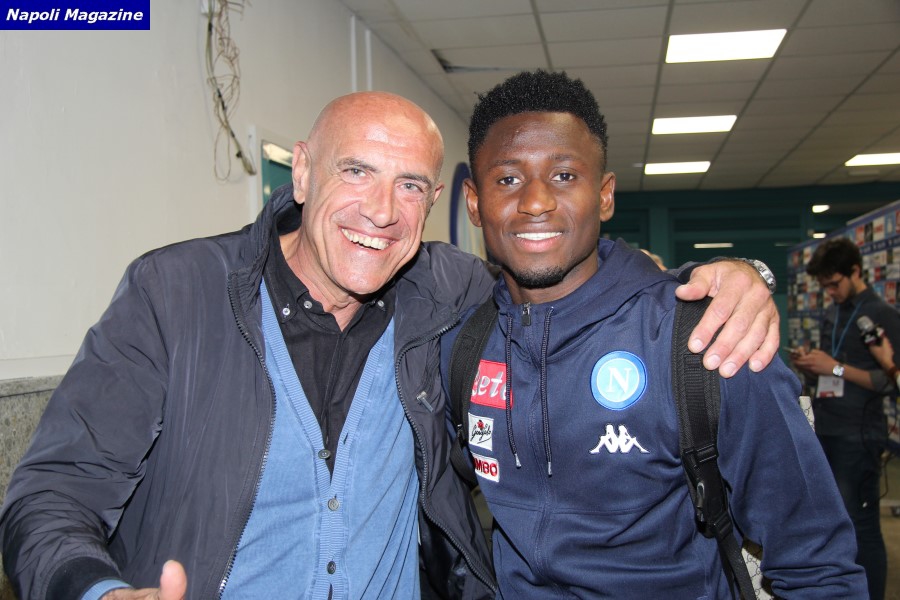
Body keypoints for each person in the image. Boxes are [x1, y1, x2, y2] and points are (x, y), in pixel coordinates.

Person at [0, 91, 780, 600]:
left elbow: (566, 271)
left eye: (410, 185)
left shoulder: (450, 292)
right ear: (303, 172)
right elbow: (50, 495)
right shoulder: (175, 294)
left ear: (438, 201)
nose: (382, 211)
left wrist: (720, 281)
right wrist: (95, 591)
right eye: (357, 171)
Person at [441, 70, 867, 598]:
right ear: (474, 201)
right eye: (507, 180)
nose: (535, 201)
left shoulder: (706, 337)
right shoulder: (462, 348)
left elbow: (816, 563)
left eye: (564, 175)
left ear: (605, 195)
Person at [791, 236, 900, 600]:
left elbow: (890, 379)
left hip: (859, 434)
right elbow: (831, 370)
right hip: (827, 426)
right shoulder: (833, 312)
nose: (830, 292)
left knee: (860, 525)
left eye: (835, 284)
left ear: (856, 271)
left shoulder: (881, 315)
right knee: (834, 522)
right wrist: (812, 365)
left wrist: (835, 368)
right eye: (824, 286)